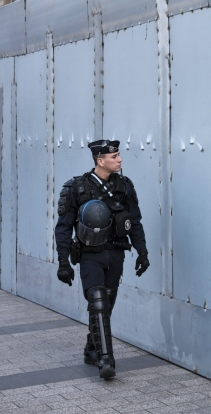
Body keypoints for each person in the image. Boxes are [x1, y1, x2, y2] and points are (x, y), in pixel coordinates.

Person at [54, 140, 150, 379]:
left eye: (118, 155)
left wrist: (142, 252)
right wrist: (63, 261)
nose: (120, 160)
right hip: (90, 256)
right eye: (115, 156)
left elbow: (135, 222)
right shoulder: (77, 187)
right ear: (100, 160)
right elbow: (64, 227)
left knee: (106, 305)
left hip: (116, 255)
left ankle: (91, 347)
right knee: (98, 301)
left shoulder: (125, 187)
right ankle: (106, 360)